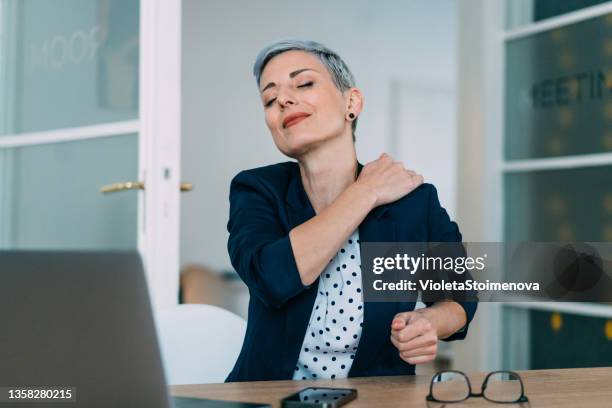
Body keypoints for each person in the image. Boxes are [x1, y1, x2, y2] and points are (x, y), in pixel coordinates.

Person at [225, 39, 477, 382]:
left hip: (379, 399)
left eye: (304, 83)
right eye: (270, 99)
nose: (283, 99)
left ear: (351, 103)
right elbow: (272, 278)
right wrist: (365, 192)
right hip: (266, 398)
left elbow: (460, 295)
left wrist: (431, 322)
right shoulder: (255, 190)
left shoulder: (414, 203)